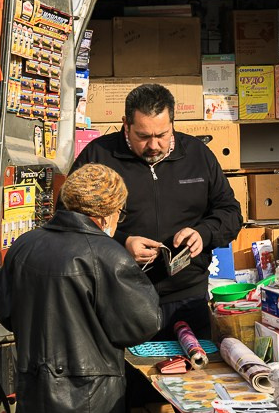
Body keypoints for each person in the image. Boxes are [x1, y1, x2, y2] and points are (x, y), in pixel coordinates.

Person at [0, 163, 161, 413]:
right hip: (88, 405)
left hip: (36, 393)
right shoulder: (107, 255)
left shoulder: (25, 245)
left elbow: (3, 308)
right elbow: (143, 325)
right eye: (119, 213)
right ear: (106, 214)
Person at [71, 83, 242, 339]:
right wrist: (121, 244)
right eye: (143, 136)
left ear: (173, 122)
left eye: (162, 134)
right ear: (125, 124)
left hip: (187, 298)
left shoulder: (198, 155)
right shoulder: (98, 156)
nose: (154, 145)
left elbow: (231, 213)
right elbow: (70, 222)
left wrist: (203, 233)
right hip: (120, 297)